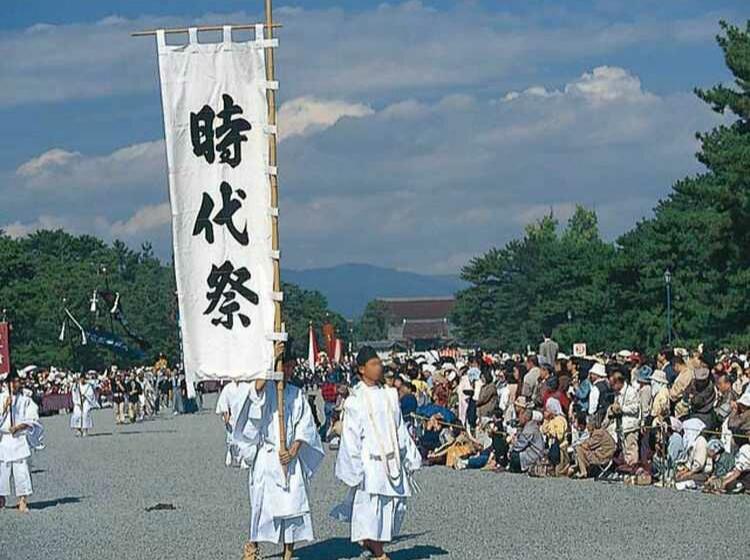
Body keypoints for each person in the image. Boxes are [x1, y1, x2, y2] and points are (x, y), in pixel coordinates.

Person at [333, 346, 421, 560]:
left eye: (379, 363)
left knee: (395, 506)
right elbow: (351, 438)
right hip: (370, 462)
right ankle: (379, 551)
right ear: (362, 369)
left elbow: (399, 427)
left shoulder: (390, 395)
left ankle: (373, 543)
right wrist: (354, 468)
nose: (379, 366)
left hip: (392, 461)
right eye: (373, 364)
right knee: (372, 507)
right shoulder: (355, 400)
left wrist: (408, 456)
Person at [233, 363, 325, 560]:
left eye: (290, 366)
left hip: (289, 458)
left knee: (292, 504)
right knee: (261, 504)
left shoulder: (296, 394)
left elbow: (305, 425)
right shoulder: (264, 391)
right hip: (267, 457)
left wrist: (294, 449)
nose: (287, 370)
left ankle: (288, 552)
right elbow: (252, 408)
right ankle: (253, 544)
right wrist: (270, 361)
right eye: (284, 365)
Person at [0, 369, 45, 513]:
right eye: (14, 382)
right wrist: (5, 408)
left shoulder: (26, 399)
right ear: (8, 383)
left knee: (21, 470)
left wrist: (19, 426)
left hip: (19, 438)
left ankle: (23, 500)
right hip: (5, 439)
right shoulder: (1, 398)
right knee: (3, 471)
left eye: (18, 381)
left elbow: (33, 419)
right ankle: (1, 498)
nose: (17, 384)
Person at [215, 380, 251, 468]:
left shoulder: (247, 387)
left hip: (244, 416)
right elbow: (223, 401)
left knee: (244, 438)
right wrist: (225, 412)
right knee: (231, 438)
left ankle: (243, 459)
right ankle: (230, 451)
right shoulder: (228, 388)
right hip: (232, 417)